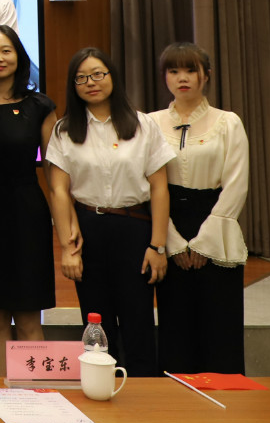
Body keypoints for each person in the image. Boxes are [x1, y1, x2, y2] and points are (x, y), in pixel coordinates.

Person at [46, 47, 175, 378]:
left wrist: (158, 245)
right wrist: (67, 248)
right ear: (73, 85)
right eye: (81, 78)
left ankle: (144, 392)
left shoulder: (143, 124)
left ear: (112, 77)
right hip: (88, 228)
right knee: (96, 323)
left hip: (134, 228)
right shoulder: (64, 130)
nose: (91, 83)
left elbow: (160, 188)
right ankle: (100, 387)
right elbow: (58, 190)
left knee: (138, 319)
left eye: (98, 74)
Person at [153, 42, 250, 374]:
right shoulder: (149, 123)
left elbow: (236, 184)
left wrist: (204, 244)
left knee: (219, 326)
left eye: (190, 70)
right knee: (175, 327)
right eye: (174, 71)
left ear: (205, 76)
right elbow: (147, 186)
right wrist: (172, 242)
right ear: (164, 77)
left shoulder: (228, 122)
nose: (182, 78)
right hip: (167, 222)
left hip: (215, 223)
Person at [0, 25, 57, 377]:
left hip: (26, 213)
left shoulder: (40, 105)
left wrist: (66, 227)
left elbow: (54, 171)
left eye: (5, 50)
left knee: (29, 316)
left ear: (19, 56)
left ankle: (35, 392)